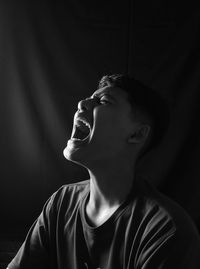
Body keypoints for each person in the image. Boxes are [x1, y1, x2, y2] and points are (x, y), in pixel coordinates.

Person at [7, 74, 200, 269]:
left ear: (137, 134)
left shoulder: (166, 231)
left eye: (103, 101)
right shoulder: (61, 203)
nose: (82, 104)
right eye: (89, 98)